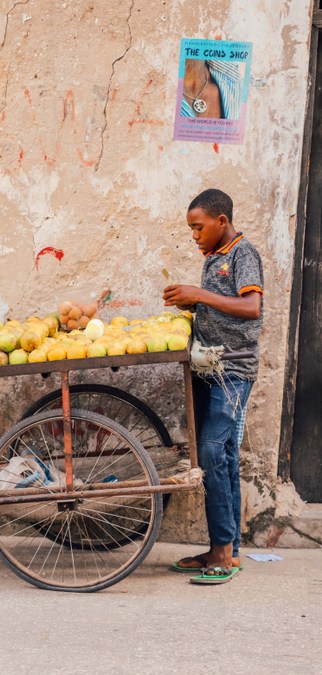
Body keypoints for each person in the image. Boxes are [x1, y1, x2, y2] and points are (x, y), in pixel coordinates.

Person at [163, 188, 263, 584]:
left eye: (198, 227)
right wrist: (194, 304)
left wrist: (199, 294)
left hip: (233, 372)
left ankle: (223, 550)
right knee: (222, 456)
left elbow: (252, 307)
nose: (194, 236)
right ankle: (226, 549)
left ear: (222, 221)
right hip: (210, 369)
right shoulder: (214, 258)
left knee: (210, 451)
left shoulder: (243, 253)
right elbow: (223, 303)